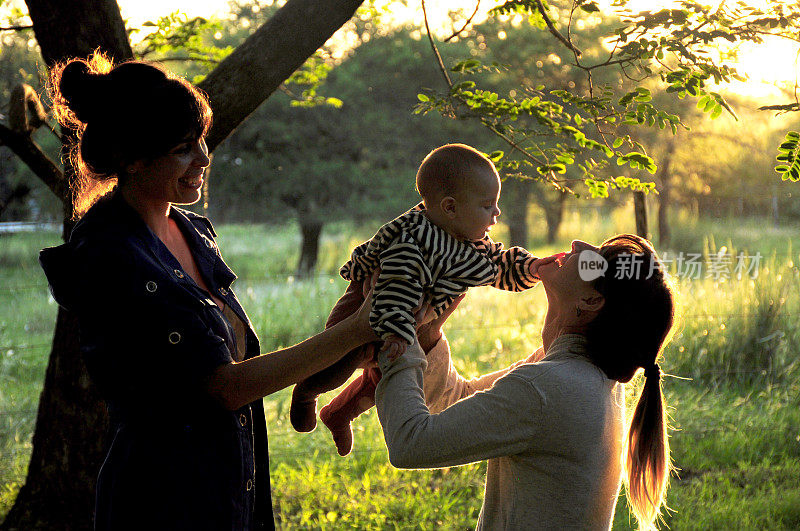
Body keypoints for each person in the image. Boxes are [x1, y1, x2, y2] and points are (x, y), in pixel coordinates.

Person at [38, 54, 377, 531]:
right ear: (132, 157)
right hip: (162, 501)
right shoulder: (108, 254)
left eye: (201, 140)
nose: (204, 157)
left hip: (229, 487)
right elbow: (225, 387)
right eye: (182, 148)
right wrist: (356, 330)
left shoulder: (192, 230)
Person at [375, 235, 675, 530]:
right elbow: (458, 400)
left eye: (593, 258)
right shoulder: (582, 376)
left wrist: (398, 334)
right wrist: (428, 340)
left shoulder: (547, 387)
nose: (577, 246)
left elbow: (411, 444)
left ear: (591, 300)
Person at [289, 144, 541, 456]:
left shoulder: (467, 238)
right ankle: (307, 391)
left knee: (395, 378)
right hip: (366, 313)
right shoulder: (413, 239)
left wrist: (530, 268)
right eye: (488, 206)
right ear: (450, 207)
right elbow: (396, 284)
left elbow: (498, 264)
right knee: (341, 363)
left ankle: (339, 412)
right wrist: (397, 329)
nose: (497, 213)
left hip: (406, 322)